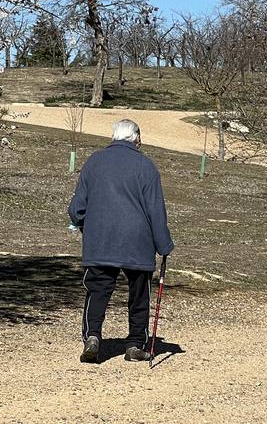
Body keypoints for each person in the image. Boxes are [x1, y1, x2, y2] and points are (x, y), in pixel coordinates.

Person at [67, 118, 174, 364]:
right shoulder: (146, 166)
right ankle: (135, 344)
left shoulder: (94, 162)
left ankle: (92, 336)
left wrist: (83, 223)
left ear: (114, 137)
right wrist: (164, 244)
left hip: (100, 239)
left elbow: (77, 208)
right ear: (136, 138)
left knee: (97, 290)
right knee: (139, 293)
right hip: (138, 240)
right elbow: (155, 210)